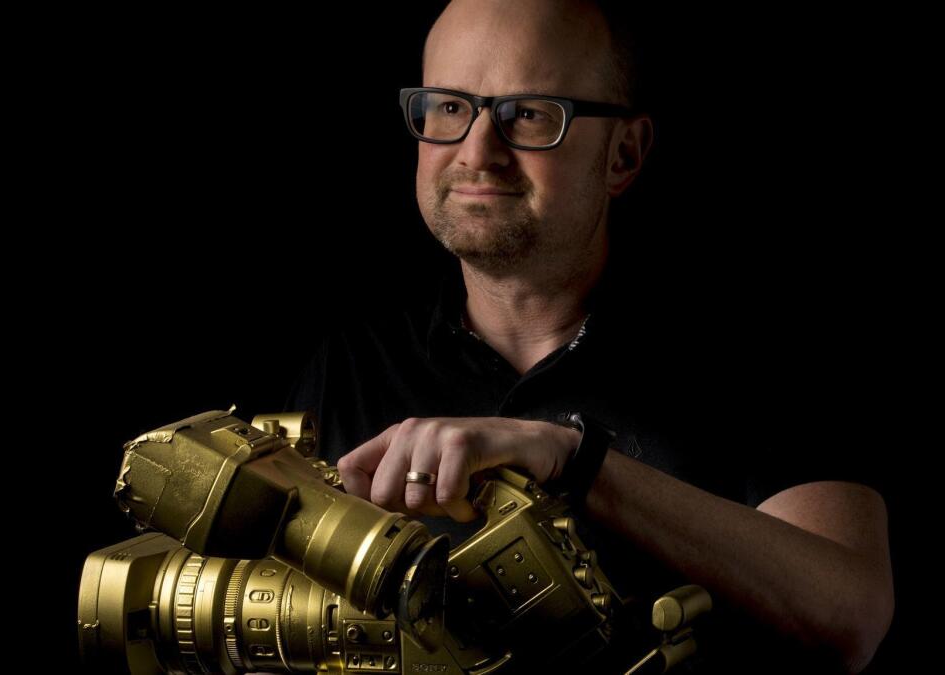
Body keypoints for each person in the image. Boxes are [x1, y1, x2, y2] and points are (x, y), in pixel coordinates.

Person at [286, 1, 894, 672]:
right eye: (449, 108)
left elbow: (851, 618)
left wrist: (575, 461)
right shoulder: (347, 362)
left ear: (623, 154)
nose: (477, 151)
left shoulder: (760, 354)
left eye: (530, 113)